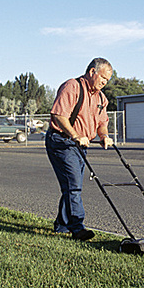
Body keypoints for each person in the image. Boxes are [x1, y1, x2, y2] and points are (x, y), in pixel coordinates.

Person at [45, 58, 114, 240]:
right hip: (62, 141)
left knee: (71, 185)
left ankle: (61, 225)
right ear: (92, 72)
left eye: (107, 81)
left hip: (80, 145)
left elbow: (102, 122)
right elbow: (59, 115)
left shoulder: (100, 97)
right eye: (103, 78)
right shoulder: (72, 87)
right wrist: (76, 135)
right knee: (73, 185)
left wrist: (104, 136)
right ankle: (77, 227)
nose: (104, 83)